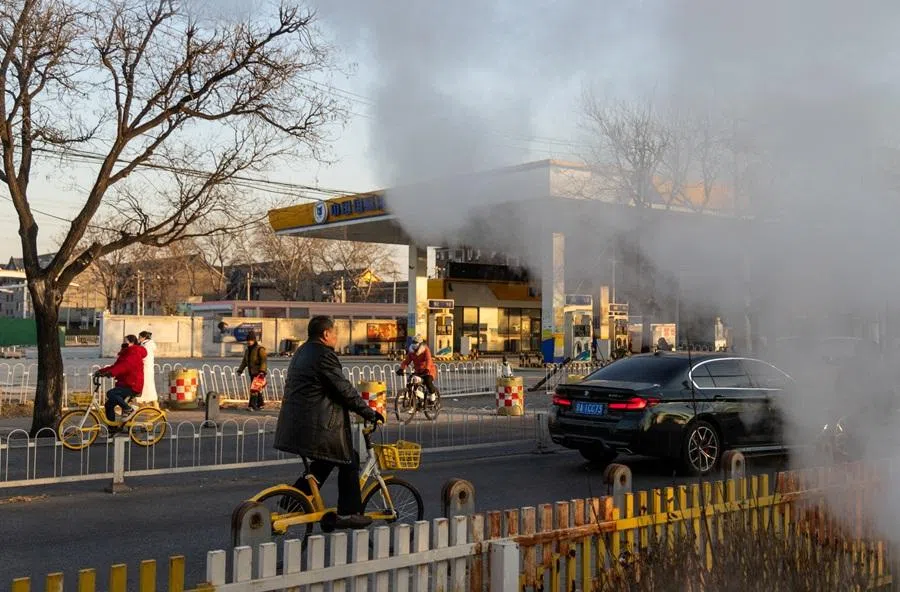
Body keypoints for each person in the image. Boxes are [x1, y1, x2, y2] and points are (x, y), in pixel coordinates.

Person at [274, 316, 384, 529]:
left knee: (326, 460)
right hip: (316, 426)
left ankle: (293, 501)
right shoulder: (324, 356)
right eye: (335, 333)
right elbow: (343, 389)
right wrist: (368, 412)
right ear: (326, 334)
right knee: (349, 458)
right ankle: (348, 513)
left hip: (297, 424)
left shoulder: (303, 352)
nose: (336, 337)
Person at [97, 334, 146, 431]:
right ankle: (112, 429)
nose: (123, 343)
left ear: (131, 343)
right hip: (125, 384)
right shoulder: (126, 353)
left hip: (133, 385)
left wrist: (111, 373)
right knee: (109, 405)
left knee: (111, 393)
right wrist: (101, 371)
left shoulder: (134, 353)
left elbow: (125, 366)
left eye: (125, 341)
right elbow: (116, 366)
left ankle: (128, 409)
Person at [397, 334, 439, 401]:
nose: (414, 344)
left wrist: (427, 369)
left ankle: (432, 396)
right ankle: (414, 402)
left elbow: (429, 360)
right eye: (413, 342)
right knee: (411, 383)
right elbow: (406, 361)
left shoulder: (426, 350)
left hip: (428, 371)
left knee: (428, 381)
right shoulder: (411, 352)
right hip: (418, 371)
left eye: (416, 342)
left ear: (420, 344)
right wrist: (401, 369)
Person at [237, 330, 267, 411]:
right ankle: (261, 404)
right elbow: (244, 362)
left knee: (254, 389)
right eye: (248, 340)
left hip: (259, 373)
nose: (249, 342)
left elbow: (264, 361)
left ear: (254, 340)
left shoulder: (260, 349)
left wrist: (262, 371)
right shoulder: (247, 351)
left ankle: (252, 406)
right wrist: (240, 370)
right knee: (257, 389)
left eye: (251, 340)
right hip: (251, 373)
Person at [136, 331, 157, 405]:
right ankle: (145, 404)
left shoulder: (146, 345)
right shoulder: (147, 344)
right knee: (147, 386)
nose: (138, 339)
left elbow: (144, 356)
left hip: (146, 368)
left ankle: (153, 405)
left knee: (147, 386)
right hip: (147, 368)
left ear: (144, 338)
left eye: (139, 337)